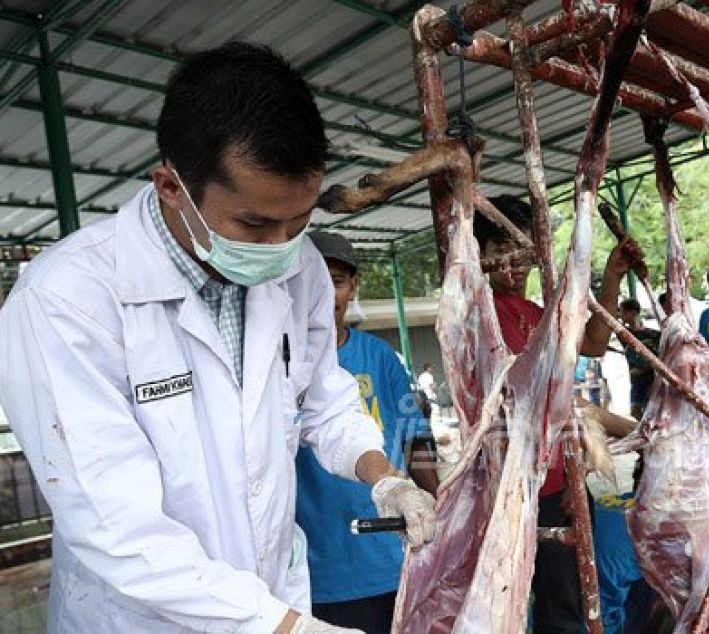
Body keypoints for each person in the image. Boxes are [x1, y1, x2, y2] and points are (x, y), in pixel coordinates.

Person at [0, 43, 436, 633]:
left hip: (272, 591)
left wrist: (382, 476)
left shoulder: (299, 267)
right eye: (253, 224)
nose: (281, 247)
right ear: (169, 186)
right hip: (147, 619)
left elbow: (323, 399)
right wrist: (289, 628)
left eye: (300, 221)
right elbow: (116, 526)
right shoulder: (68, 300)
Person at [474, 194, 639, 633]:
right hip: (514, 485)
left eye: (522, 250)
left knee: (567, 601)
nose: (512, 262)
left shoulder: (534, 311)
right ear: (482, 256)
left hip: (556, 483)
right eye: (499, 251)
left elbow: (594, 344)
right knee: (524, 602)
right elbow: (540, 397)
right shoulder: (482, 315)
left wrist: (611, 276)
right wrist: (635, 431)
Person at [295, 231, 437, 633]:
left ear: (353, 286)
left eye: (336, 282)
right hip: (322, 565)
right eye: (313, 282)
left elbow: (416, 437)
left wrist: (434, 502)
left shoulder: (380, 357)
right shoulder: (283, 362)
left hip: (389, 553)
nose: (325, 295)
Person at [618, 298, 661, 419]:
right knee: (635, 410)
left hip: (651, 379)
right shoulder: (623, 333)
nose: (620, 315)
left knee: (650, 410)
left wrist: (645, 368)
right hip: (636, 380)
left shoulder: (654, 335)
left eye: (623, 312)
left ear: (633, 313)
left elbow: (659, 357)